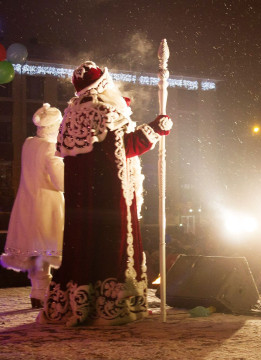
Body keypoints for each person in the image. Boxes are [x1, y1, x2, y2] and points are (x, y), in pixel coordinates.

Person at [38, 61, 172, 326]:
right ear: (103, 85)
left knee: (84, 245)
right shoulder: (105, 111)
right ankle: (113, 307)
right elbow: (123, 148)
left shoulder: (72, 114)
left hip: (83, 201)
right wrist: (157, 129)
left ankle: (80, 303)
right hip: (111, 197)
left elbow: (96, 151)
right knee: (111, 247)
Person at [1, 104, 64, 309]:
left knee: (35, 250)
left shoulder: (29, 143)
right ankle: (42, 293)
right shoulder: (50, 148)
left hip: (27, 201)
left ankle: (37, 292)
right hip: (47, 204)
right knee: (45, 250)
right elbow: (61, 182)